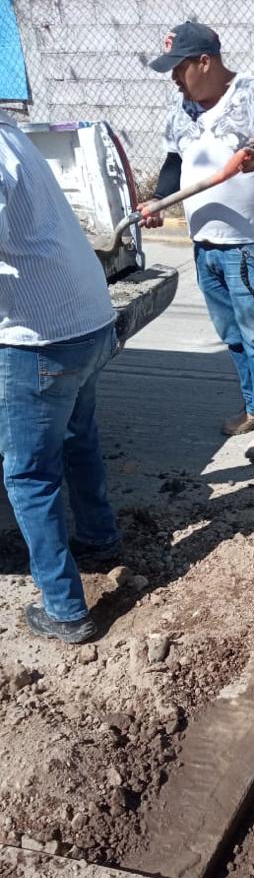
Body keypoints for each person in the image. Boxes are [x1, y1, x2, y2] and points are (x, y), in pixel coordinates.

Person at [142, 21, 254, 460]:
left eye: (179, 68)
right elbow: (173, 162)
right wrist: (160, 200)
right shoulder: (181, 109)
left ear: (205, 61)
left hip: (248, 244)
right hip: (204, 243)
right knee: (232, 334)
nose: (174, 79)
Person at [0, 113, 121, 644]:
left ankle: (66, 611)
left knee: (29, 475)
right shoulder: (10, 134)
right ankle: (100, 539)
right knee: (77, 437)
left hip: (40, 339)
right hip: (88, 322)